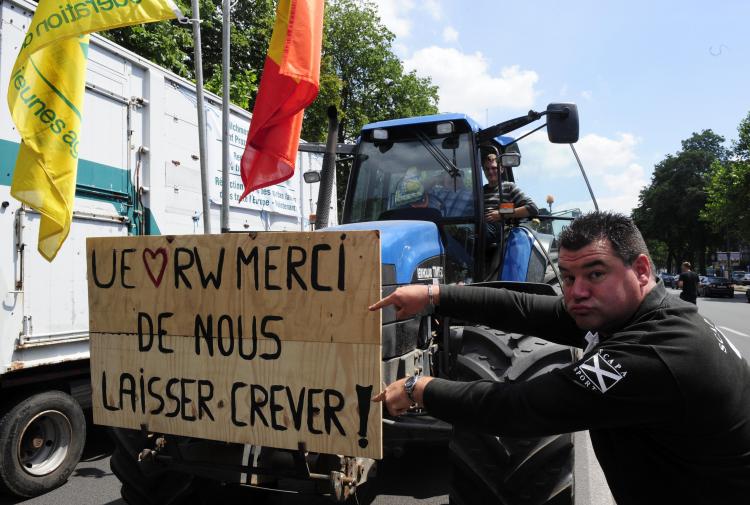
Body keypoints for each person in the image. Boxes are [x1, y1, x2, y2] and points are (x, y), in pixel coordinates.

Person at [369, 211, 750, 505]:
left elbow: (520, 409)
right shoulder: (647, 311)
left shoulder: (651, 354)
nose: (576, 292)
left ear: (642, 270)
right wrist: (436, 295)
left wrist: (417, 387)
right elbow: (528, 309)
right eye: (567, 278)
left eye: (595, 273)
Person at [481, 147, 538, 243]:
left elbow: (532, 208)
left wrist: (501, 214)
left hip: (500, 231)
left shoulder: (509, 187)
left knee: (480, 230)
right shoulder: (481, 191)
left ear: (502, 169)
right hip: (481, 227)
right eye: (487, 169)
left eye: (494, 168)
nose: (490, 172)